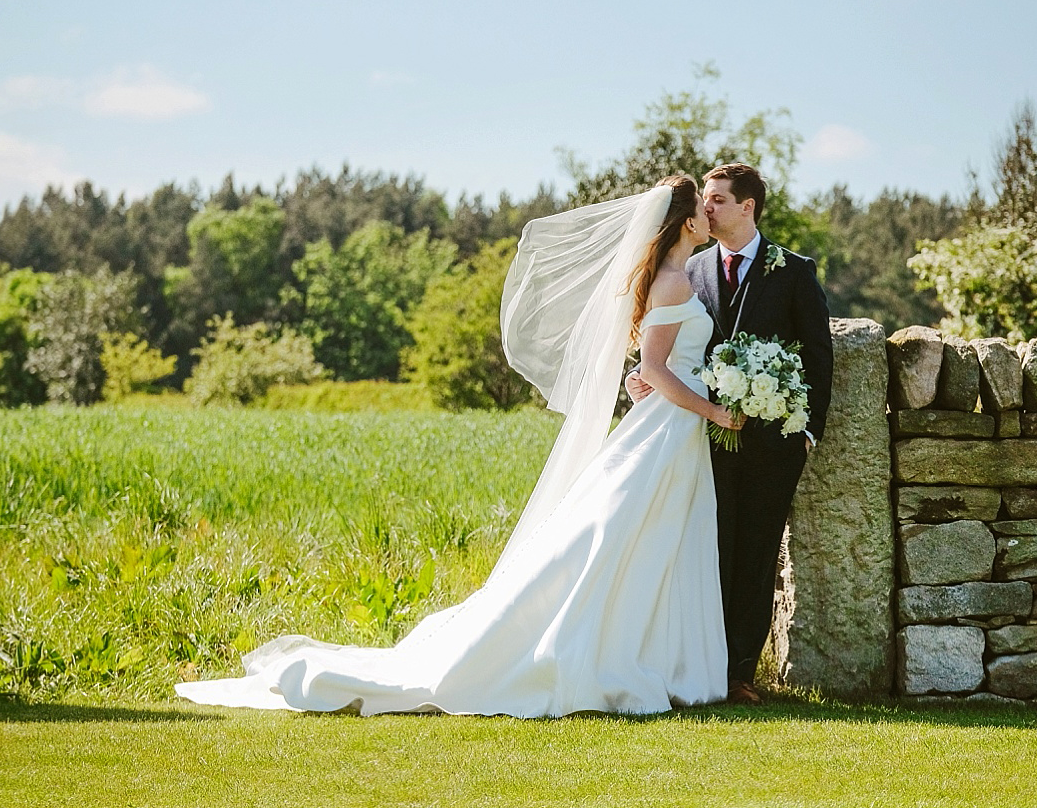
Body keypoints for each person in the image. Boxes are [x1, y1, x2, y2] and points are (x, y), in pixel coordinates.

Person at [176, 174, 741, 717]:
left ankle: (663, 662)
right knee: (627, 539)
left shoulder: (682, 274)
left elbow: (656, 368)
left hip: (672, 427)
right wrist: (714, 408)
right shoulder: (671, 281)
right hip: (667, 425)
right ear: (684, 220)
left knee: (660, 541)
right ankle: (602, 656)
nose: (709, 212)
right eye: (703, 205)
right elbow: (657, 370)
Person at [626, 162, 833, 706]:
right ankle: (703, 666)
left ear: (749, 207)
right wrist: (640, 374)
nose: (708, 207)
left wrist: (807, 432)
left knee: (757, 555)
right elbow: (663, 350)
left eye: (718, 199)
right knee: (707, 552)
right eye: (706, 199)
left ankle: (740, 673)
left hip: (772, 444)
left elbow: (817, 355)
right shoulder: (689, 271)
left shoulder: (792, 270)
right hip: (700, 439)